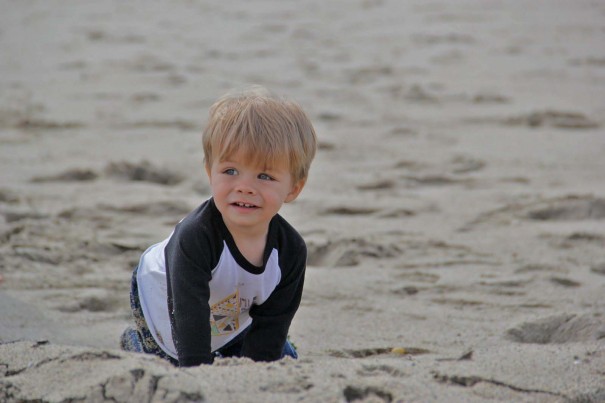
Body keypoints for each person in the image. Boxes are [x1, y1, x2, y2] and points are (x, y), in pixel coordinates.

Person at [120, 86, 317, 366]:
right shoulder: (196, 237)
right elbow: (188, 314)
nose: (245, 187)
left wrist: (253, 371)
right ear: (209, 172)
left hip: (230, 306)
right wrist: (201, 373)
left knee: (281, 356)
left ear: (294, 188)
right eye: (230, 171)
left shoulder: (291, 251)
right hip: (168, 299)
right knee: (172, 358)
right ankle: (137, 343)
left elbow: (273, 322)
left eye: (264, 176)